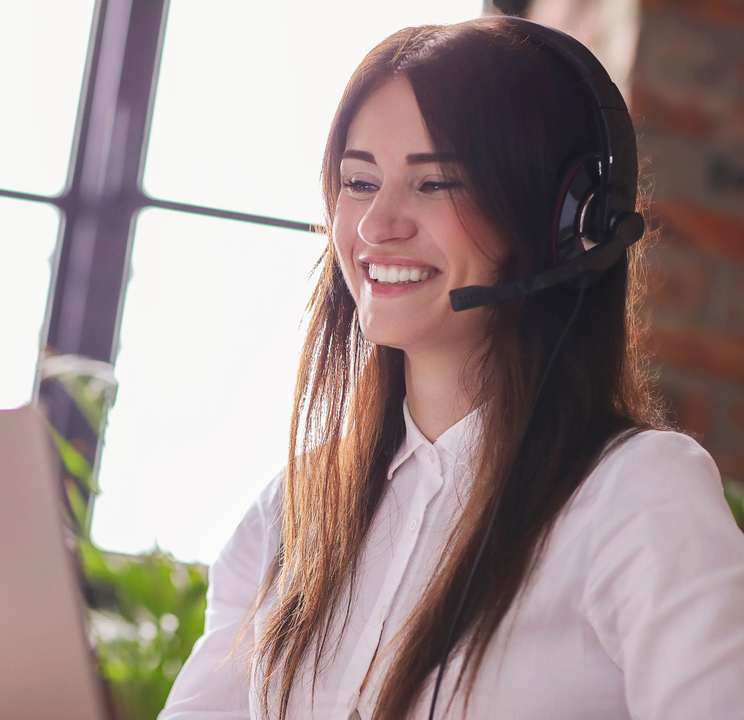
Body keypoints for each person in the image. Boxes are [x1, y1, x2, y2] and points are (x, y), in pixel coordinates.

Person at [157, 15, 744, 720]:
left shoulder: (635, 494)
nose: (378, 226)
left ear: (564, 224)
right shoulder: (292, 512)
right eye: (359, 180)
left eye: (434, 184)